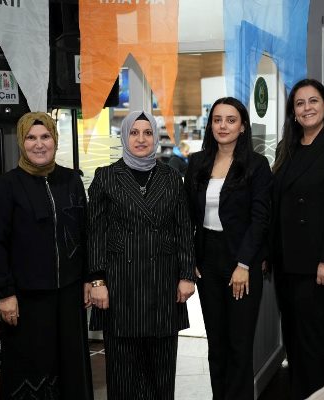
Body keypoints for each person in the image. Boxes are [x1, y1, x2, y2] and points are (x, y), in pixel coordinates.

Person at [87, 110, 196, 400]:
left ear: (155, 138)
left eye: (147, 133)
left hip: (163, 285)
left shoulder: (171, 177)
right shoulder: (106, 177)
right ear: (124, 136)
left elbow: (184, 230)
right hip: (120, 287)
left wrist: (187, 276)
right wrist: (97, 281)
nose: (141, 139)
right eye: (134, 132)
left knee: (161, 374)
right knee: (123, 374)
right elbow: (95, 233)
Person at [0, 112, 93, 399]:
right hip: (27, 298)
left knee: (70, 366)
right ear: (22, 142)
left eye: (45, 136)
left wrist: (88, 278)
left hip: (69, 295)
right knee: (33, 368)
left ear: (55, 140)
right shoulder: (7, 185)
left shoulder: (71, 180)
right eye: (31, 138)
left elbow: (84, 234)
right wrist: (5, 293)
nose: (39, 144)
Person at [270, 79, 324, 399]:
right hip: (288, 263)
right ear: (293, 112)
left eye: (313, 101)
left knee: (314, 345)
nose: (306, 108)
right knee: (294, 342)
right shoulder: (287, 148)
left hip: (322, 266)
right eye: (299, 103)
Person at [184, 97, 272, 400]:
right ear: (210, 125)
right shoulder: (197, 162)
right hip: (207, 259)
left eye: (231, 120)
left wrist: (244, 264)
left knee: (239, 346)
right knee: (217, 345)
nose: (223, 126)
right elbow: (186, 216)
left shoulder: (257, 165)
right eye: (217, 119)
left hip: (241, 259)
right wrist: (190, 256)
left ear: (243, 127)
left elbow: (260, 219)